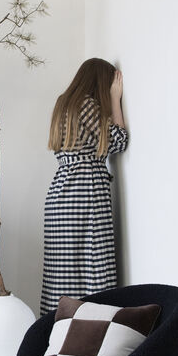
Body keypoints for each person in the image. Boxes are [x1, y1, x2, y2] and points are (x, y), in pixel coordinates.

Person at [40, 58, 128, 315]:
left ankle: (59, 329)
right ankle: (96, 324)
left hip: (61, 191)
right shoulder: (86, 104)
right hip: (84, 188)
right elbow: (119, 141)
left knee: (61, 273)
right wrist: (115, 100)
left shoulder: (63, 103)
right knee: (94, 266)